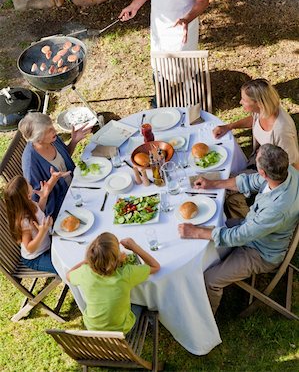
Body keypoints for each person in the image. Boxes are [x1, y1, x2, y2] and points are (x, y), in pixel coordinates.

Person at [178, 144, 299, 315]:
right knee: (210, 231)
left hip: (261, 252)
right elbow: (249, 181)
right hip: (252, 230)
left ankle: (207, 319)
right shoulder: (285, 173)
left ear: (264, 173)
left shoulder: (277, 209)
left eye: (257, 159)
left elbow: (240, 236)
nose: (255, 154)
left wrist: (196, 232)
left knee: (210, 279)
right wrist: (212, 183)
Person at [67, 232, 160, 333]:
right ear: (116, 258)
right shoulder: (126, 273)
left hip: (93, 329)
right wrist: (135, 247)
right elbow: (155, 266)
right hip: (120, 331)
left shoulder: (85, 272)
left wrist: (88, 261)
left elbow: (68, 275)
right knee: (141, 302)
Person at [213, 78, 299, 170]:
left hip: (272, 173)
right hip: (260, 159)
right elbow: (254, 120)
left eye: (244, 100)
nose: (240, 102)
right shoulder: (264, 110)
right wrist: (229, 126)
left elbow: (293, 164)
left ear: (259, 103)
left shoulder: (281, 131)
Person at [19, 112, 91, 220]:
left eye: (52, 127)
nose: (55, 131)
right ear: (39, 139)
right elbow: (38, 201)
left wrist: (74, 141)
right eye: (49, 130)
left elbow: (63, 157)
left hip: (78, 183)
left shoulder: (53, 139)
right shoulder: (30, 163)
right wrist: (52, 181)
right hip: (63, 205)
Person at [4, 175, 57, 274]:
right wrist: (42, 232)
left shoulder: (30, 203)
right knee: (60, 266)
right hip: (36, 258)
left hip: (47, 246)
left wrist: (44, 197)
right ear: (27, 195)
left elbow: (38, 212)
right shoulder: (24, 221)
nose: (30, 184)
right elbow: (29, 248)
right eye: (28, 184)